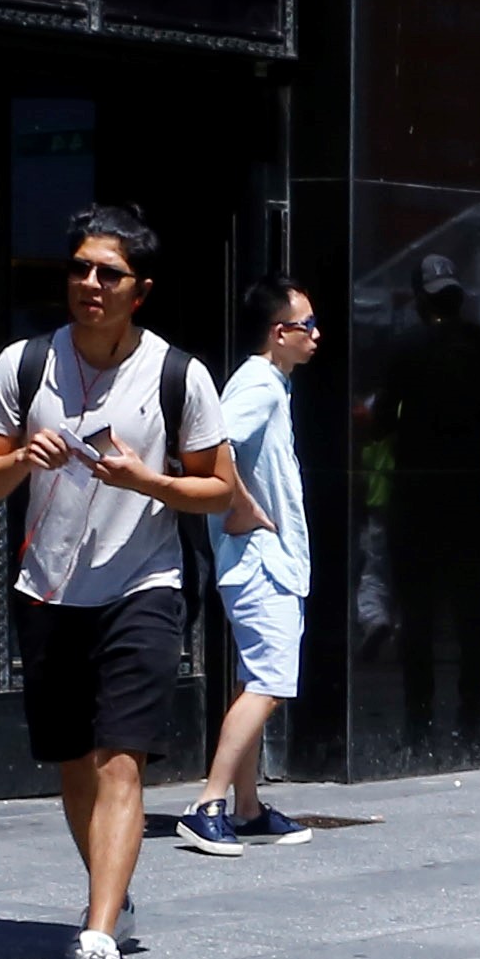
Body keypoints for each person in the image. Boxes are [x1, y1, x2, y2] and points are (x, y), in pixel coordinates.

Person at [0, 205, 237, 959]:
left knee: (122, 757)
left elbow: (217, 486)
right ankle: (107, 890)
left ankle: (97, 937)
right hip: (47, 587)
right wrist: (18, 456)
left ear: (138, 291)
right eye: (79, 268)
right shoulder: (24, 364)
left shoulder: (177, 374)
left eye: (106, 274)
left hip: (141, 584)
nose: (88, 284)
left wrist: (145, 481)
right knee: (74, 761)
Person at [173, 278, 315, 857]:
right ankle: (209, 803)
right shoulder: (259, 384)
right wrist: (241, 509)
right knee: (269, 684)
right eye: (307, 325)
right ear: (278, 334)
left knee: (256, 679)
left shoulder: (271, 385)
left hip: (263, 559)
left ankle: (248, 807)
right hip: (261, 562)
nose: (315, 335)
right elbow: (212, 445)